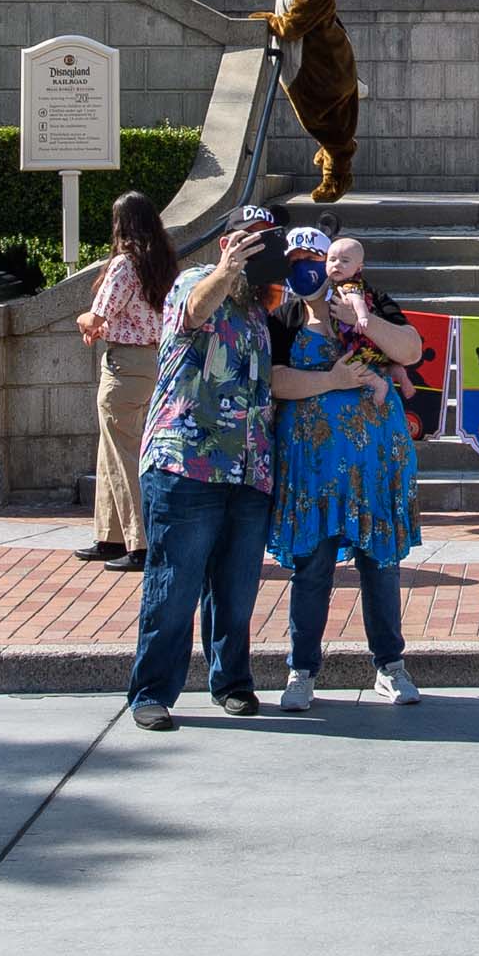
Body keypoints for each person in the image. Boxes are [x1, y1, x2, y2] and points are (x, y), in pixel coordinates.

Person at [124, 207, 284, 730]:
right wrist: (228, 270)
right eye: (247, 240)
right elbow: (193, 312)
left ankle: (231, 682)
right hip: (186, 462)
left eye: (266, 241)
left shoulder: (262, 307)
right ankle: (152, 692)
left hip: (249, 469)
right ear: (225, 244)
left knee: (237, 589)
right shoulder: (194, 281)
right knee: (174, 584)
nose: (257, 249)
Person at [269, 231, 426, 709]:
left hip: (374, 466)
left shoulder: (368, 300)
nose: (309, 268)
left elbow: (411, 349)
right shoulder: (285, 317)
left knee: (380, 566)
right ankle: (302, 671)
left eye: (315, 258)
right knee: (312, 567)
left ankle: (390, 666)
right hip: (313, 470)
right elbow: (275, 380)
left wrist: (365, 321)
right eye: (296, 261)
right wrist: (332, 380)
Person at [70, 192, 171, 569]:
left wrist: (84, 320)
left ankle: (139, 542)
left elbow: (96, 316)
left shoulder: (124, 264)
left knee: (124, 453)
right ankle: (110, 536)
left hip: (125, 366)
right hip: (154, 362)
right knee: (112, 449)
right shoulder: (162, 264)